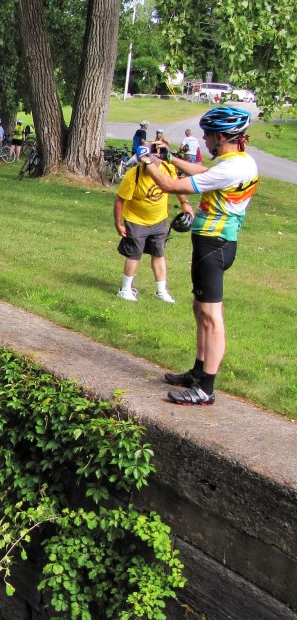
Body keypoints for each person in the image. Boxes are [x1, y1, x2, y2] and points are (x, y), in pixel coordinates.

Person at [139, 106, 259, 406]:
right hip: (215, 245)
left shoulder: (232, 167)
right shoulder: (239, 162)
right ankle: (197, 371)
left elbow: (168, 185)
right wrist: (169, 158)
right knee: (200, 309)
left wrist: (147, 161)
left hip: (213, 246)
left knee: (212, 316)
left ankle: (206, 388)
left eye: (207, 135)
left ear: (221, 137)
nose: (204, 139)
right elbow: (205, 173)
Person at [113, 145, 188, 303]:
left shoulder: (167, 168)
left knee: (159, 253)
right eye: (147, 161)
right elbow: (120, 200)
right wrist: (118, 224)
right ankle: (125, 289)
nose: (152, 164)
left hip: (159, 220)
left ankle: (161, 291)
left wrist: (184, 203)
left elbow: (176, 186)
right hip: (136, 220)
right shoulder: (133, 175)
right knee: (135, 254)